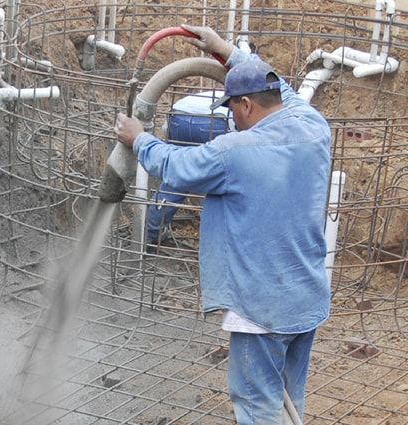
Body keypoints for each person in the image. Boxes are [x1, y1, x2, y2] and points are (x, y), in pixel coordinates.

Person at [114, 24, 331, 424]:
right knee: (287, 400)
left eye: (231, 109)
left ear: (246, 104)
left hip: (260, 307)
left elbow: (175, 166)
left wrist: (138, 138)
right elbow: (280, 87)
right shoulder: (313, 126)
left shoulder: (234, 152)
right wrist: (223, 50)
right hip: (305, 297)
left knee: (257, 405)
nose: (231, 118)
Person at [146, 91, 232, 251]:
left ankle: (151, 233)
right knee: (216, 181)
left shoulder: (233, 92)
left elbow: (165, 131)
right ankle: (215, 243)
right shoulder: (266, 103)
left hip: (178, 116)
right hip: (216, 122)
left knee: (176, 177)